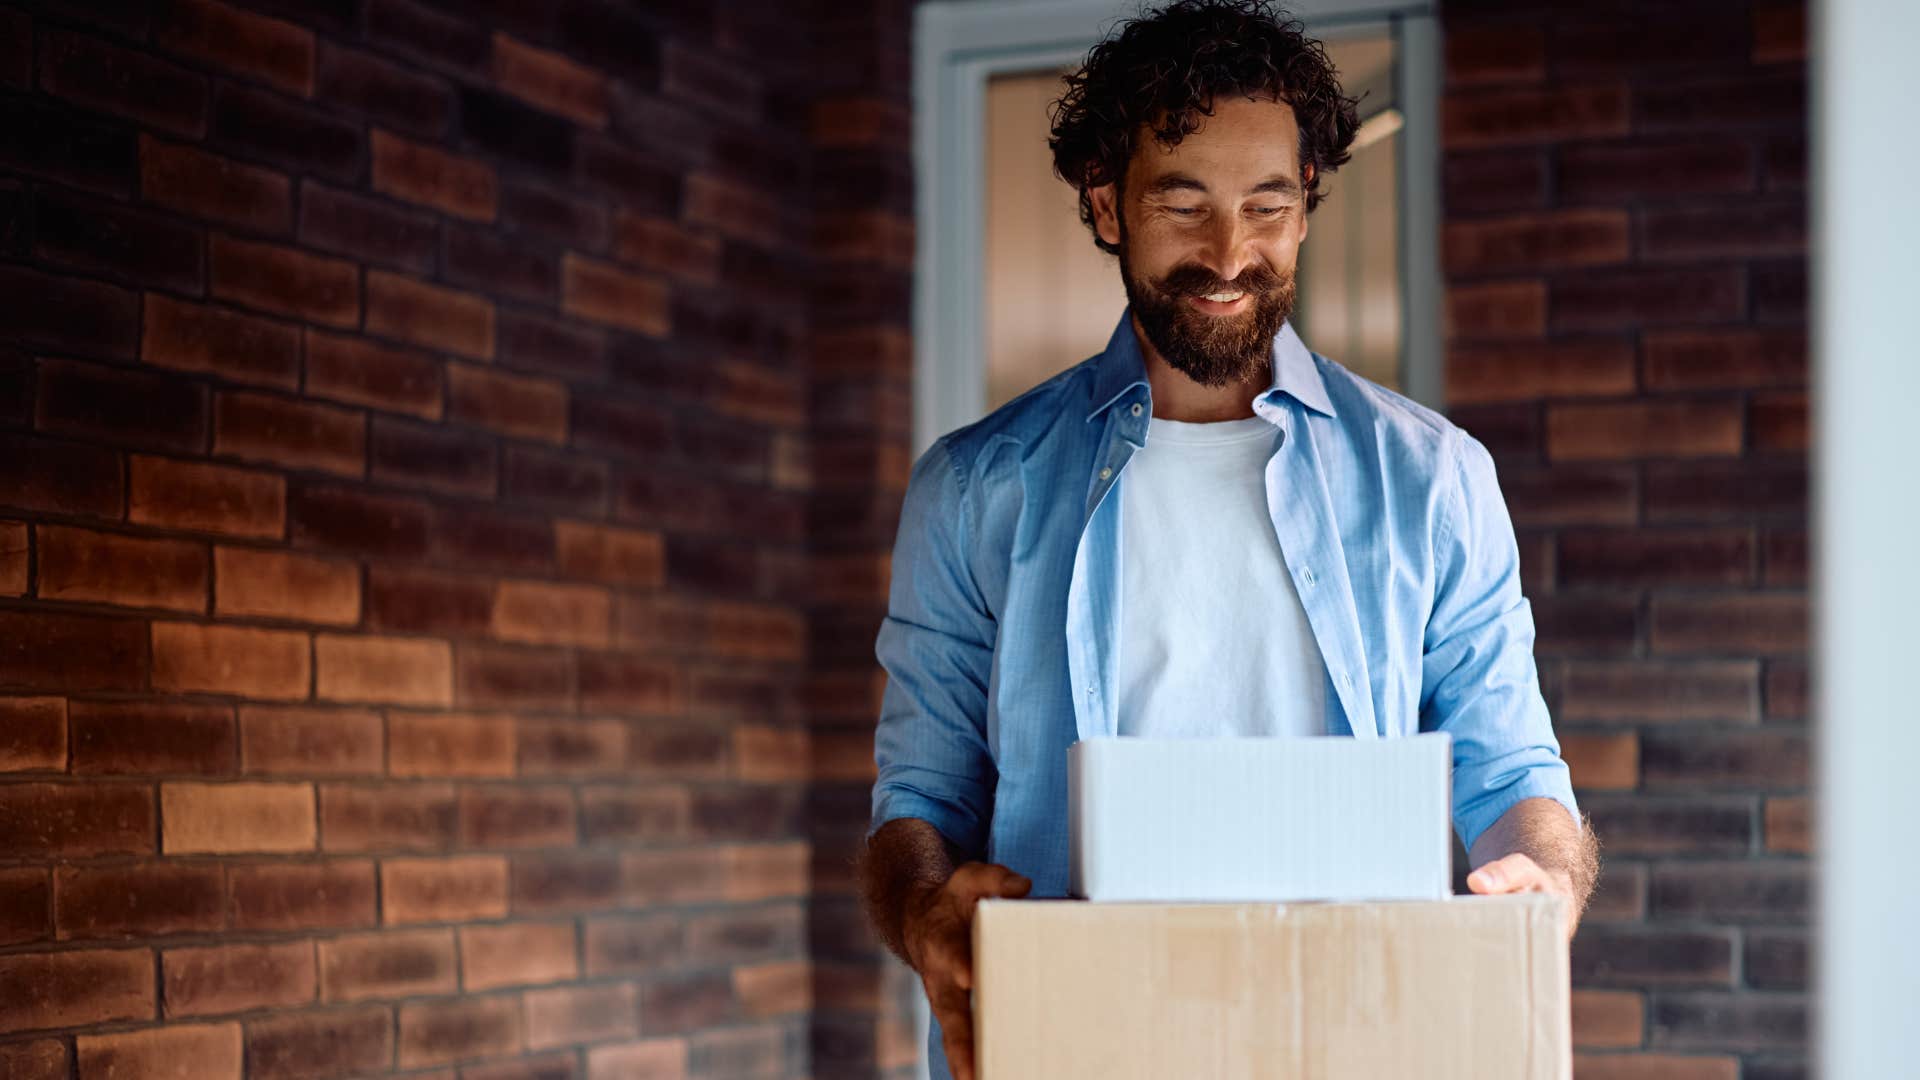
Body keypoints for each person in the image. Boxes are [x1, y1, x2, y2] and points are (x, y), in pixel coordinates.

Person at [857, 2, 1600, 1077]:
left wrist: (1539, 884)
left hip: (1360, 1043)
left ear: (1305, 210)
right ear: (1107, 205)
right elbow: (918, 805)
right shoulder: (977, 491)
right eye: (1183, 203)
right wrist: (927, 912)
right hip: (1067, 1042)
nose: (1229, 252)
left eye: (1266, 205)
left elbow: (1514, 773)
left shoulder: (1434, 480)